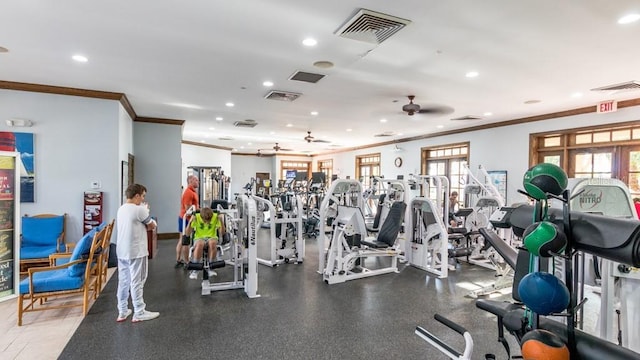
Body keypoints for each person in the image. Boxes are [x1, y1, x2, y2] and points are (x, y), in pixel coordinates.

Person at [115, 183, 159, 322]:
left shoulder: (121, 209)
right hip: (136, 251)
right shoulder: (139, 209)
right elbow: (152, 225)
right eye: (143, 196)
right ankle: (139, 311)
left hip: (122, 251)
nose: (143, 199)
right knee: (137, 281)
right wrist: (145, 210)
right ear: (137, 195)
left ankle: (122, 311)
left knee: (123, 281)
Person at [186, 207, 225, 279]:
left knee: (212, 243)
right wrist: (190, 222)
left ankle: (211, 268)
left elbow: (222, 233)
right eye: (205, 221)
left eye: (208, 220)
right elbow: (187, 234)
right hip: (199, 238)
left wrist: (221, 221)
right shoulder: (196, 217)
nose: (207, 222)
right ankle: (195, 270)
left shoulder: (215, 217)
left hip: (212, 237)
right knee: (200, 244)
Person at [176, 175, 199, 268]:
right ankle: (186, 261)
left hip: (185, 219)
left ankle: (178, 259)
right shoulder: (188, 193)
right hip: (186, 219)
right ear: (190, 181)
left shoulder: (192, 192)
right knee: (185, 240)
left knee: (182, 239)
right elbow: (188, 210)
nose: (198, 182)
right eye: (196, 180)